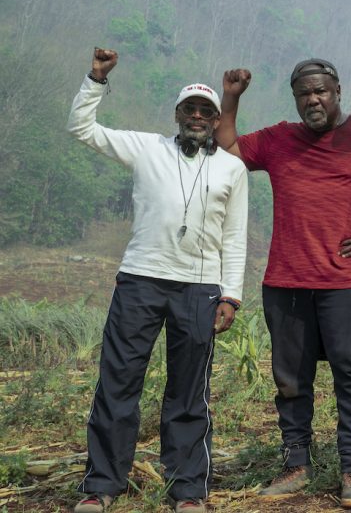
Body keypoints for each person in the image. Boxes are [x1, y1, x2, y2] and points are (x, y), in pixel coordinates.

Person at [214, 59, 351, 509]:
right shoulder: (280, 138)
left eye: (320, 91)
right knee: (291, 381)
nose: (312, 100)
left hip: (347, 283)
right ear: (295, 97)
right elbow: (228, 148)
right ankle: (296, 465)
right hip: (286, 281)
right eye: (303, 93)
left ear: (338, 91)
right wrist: (232, 97)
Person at [70, 48, 248, 513]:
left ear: (213, 120)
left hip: (201, 288)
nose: (196, 116)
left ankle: (188, 492)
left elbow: (235, 236)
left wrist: (231, 294)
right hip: (141, 281)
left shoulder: (232, 168)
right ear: (177, 114)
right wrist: (96, 79)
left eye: (205, 111)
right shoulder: (148, 148)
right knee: (119, 383)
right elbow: (81, 129)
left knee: (189, 392)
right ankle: (102, 485)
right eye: (189, 108)